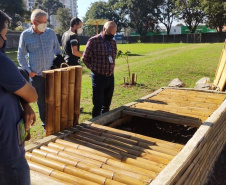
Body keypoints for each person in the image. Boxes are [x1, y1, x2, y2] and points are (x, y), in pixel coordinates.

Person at [0, 10, 38, 185]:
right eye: (5, 34)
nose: (5, 40)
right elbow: (32, 94)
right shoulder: (2, 63)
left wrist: (23, 104)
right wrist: (26, 100)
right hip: (8, 155)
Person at [17, 9, 62, 127]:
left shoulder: (51, 33)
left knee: (55, 99)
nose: (45, 25)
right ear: (34, 22)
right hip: (37, 76)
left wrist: (58, 65)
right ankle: (46, 124)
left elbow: (58, 51)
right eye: (42, 23)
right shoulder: (25, 35)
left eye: (46, 22)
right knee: (41, 101)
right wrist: (28, 71)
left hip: (52, 74)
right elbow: (20, 55)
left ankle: (56, 121)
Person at [82, 21, 117, 118]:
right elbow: (85, 58)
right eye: (110, 34)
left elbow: (113, 58)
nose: (111, 36)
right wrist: (94, 69)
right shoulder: (93, 41)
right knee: (98, 105)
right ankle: (95, 125)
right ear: (104, 29)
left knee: (107, 105)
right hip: (98, 78)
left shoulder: (113, 43)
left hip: (110, 77)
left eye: (113, 35)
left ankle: (104, 123)